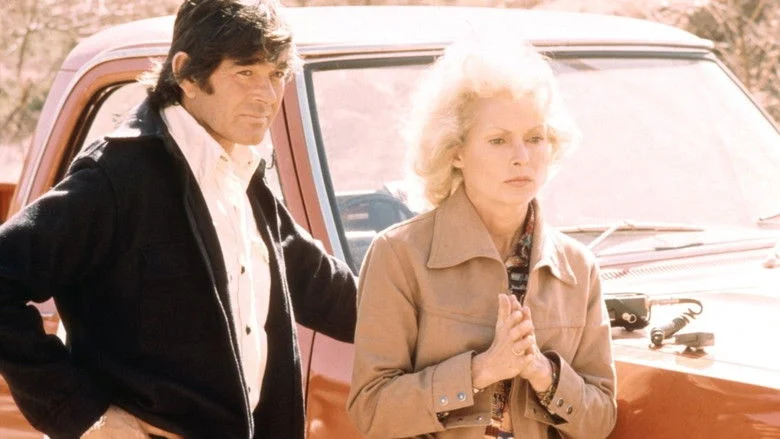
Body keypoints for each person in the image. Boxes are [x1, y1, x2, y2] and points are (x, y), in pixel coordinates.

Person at [0, 1, 357, 438]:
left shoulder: (241, 171)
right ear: (187, 74)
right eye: (245, 72)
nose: (267, 95)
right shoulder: (119, 176)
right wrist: (84, 415)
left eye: (277, 74)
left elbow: (330, 293)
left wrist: (429, 307)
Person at [347, 37, 617, 439]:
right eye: (498, 140)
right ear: (455, 152)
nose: (522, 156)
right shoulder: (399, 254)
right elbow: (371, 411)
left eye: (535, 138)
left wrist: (543, 373)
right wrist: (482, 369)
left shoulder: (578, 266)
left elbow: (601, 420)